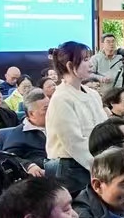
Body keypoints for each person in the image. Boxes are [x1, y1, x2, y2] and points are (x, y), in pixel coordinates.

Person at [46, 41, 109, 196]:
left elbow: (105, 129)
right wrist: (103, 168)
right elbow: (74, 142)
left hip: (98, 160)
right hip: (70, 169)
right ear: (70, 66)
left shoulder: (93, 94)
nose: (91, 64)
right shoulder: (61, 98)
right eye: (85, 60)